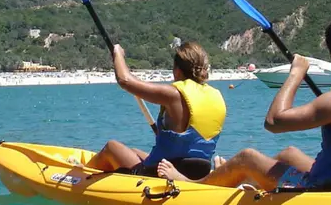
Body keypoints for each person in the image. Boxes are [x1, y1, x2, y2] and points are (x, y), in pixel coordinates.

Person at [158, 17, 331, 191]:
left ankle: (196, 185)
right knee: (289, 153)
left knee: (246, 157)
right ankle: (257, 186)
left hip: (329, 189)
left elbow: (274, 121)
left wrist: (296, 73)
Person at [85, 41, 227, 178]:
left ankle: (81, 174)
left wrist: (117, 53)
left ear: (177, 71)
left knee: (112, 147)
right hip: (198, 172)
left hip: (161, 173)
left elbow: (125, 80)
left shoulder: (174, 94)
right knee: (133, 152)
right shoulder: (216, 96)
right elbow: (188, 139)